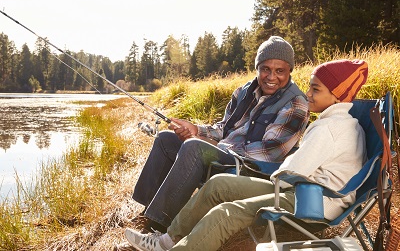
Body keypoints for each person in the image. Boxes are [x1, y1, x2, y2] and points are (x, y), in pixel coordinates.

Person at [124, 59, 369, 251]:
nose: (309, 94)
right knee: (218, 183)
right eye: (310, 87)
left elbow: (293, 170)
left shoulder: (329, 127)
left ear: (337, 94)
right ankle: (166, 240)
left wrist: (263, 176)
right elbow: (226, 128)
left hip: (313, 202)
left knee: (227, 212)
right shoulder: (339, 121)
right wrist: (199, 130)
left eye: (316, 89)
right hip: (302, 190)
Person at [131, 36, 309, 233]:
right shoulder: (243, 92)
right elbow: (223, 128)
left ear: (289, 71)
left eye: (280, 71)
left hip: (253, 168)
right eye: (266, 69)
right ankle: (148, 212)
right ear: (257, 67)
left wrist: (212, 146)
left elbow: (270, 152)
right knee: (165, 139)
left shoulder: (296, 104)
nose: (271, 77)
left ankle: (158, 228)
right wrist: (196, 130)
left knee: (194, 147)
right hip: (226, 154)